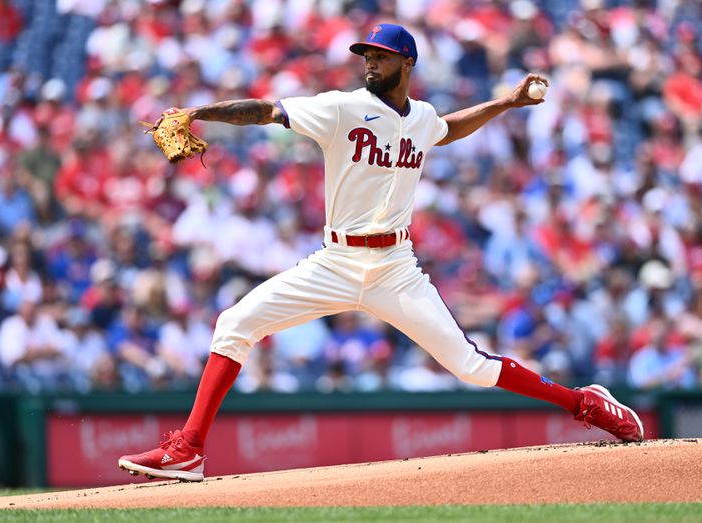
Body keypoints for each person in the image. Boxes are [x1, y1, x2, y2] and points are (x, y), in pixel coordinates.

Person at [118, 24, 643, 482]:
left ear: (406, 62)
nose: (369, 62)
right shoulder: (342, 107)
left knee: (471, 367)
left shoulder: (421, 117)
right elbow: (265, 111)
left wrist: (506, 103)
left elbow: (445, 129)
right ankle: (188, 451)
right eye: (365, 54)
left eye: (380, 55)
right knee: (234, 323)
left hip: (396, 268)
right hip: (335, 263)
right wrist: (199, 112)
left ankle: (584, 402)